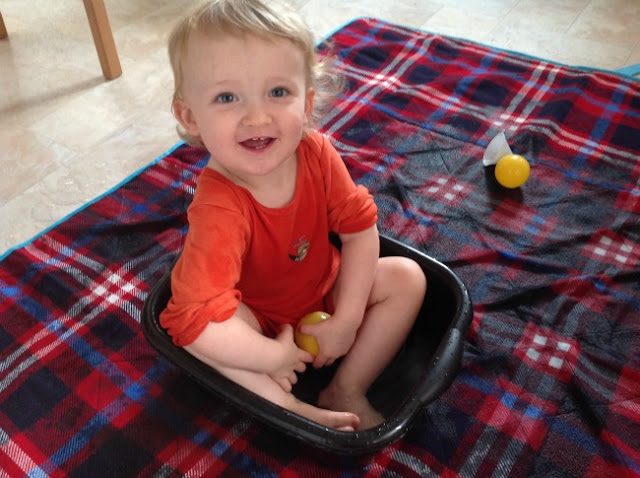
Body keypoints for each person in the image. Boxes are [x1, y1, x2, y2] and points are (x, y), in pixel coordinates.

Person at [160, 0, 427, 431]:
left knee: (407, 277)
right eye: (226, 97)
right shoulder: (220, 206)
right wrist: (274, 355)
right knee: (200, 339)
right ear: (190, 116)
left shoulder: (316, 152)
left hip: (325, 289)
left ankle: (347, 387)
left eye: (278, 91)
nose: (257, 116)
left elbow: (359, 232)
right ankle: (296, 411)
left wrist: (348, 318)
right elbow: (195, 320)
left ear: (307, 103)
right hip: (259, 322)